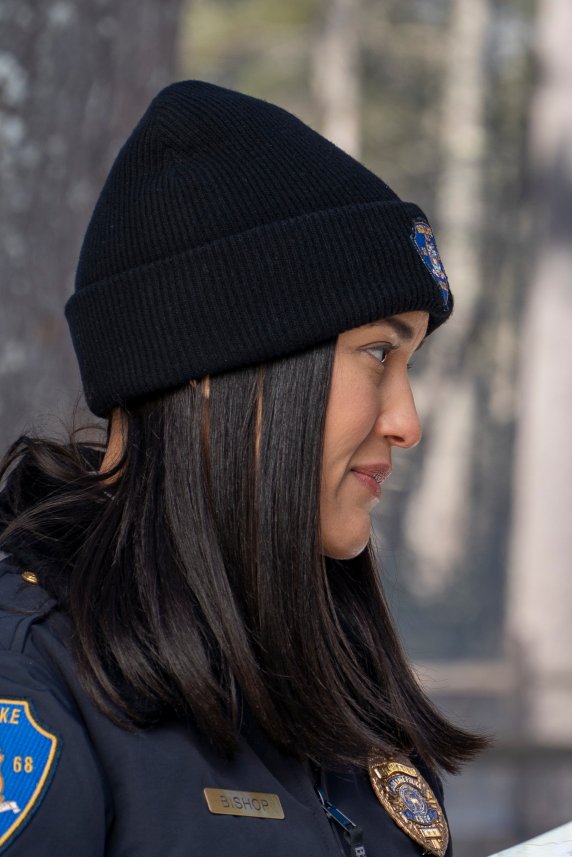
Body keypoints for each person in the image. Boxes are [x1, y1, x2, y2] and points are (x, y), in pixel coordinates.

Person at [0, 81, 486, 855]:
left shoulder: (335, 679)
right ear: (213, 364)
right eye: (377, 354)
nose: (407, 421)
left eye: (411, 362)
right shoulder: (31, 684)